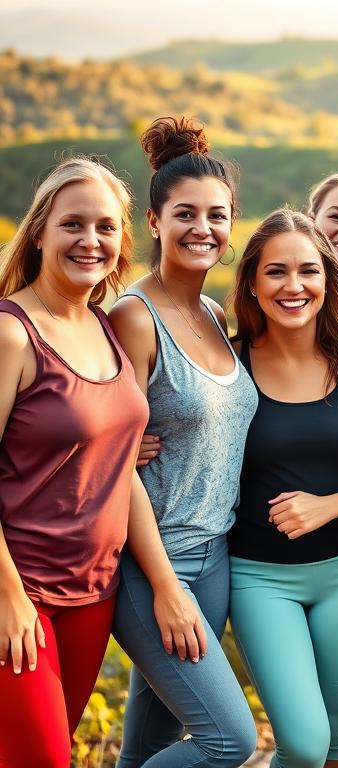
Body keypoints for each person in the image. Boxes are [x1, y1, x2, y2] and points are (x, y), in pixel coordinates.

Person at [108, 116, 258, 768]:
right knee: (230, 742)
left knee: (156, 738)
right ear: (153, 221)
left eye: (217, 215)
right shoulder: (132, 317)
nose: (203, 228)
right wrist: (166, 584)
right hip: (153, 562)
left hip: (214, 552)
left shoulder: (216, 315)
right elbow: (113, 460)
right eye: (185, 214)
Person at [227, 209, 338, 768]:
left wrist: (331, 506)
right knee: (303, 743)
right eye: (276, 272)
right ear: (252, 282)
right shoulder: (228, 363)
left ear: (330, 279)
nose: (293, 287)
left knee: (336, 731)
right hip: (259, 577)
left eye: (308, 271)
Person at [0, 159, 149, 767]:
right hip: (20, 589)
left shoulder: (105, 324)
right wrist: (7, 595)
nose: (91, 241)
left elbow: (119, 469)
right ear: (40, 232)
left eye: (106, 227)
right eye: (73, 225)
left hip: (92, 593)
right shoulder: (12, 333)